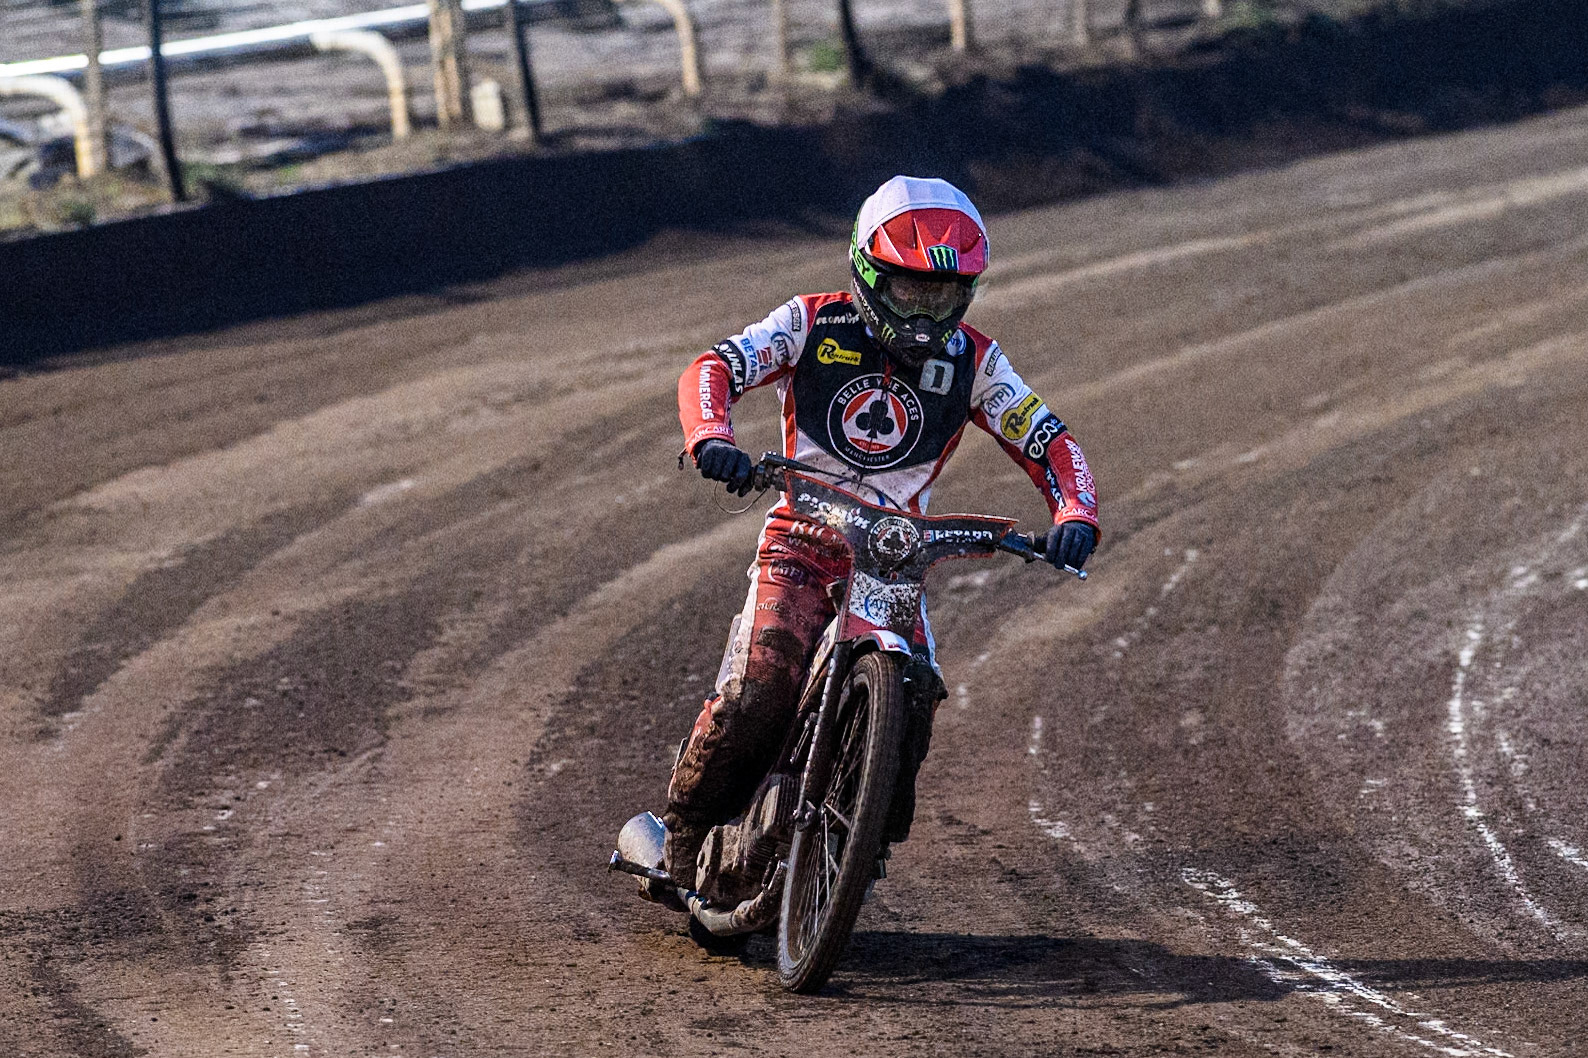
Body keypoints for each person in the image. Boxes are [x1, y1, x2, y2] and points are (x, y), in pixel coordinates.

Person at [663, 175, 1100, 886]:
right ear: (868, 273)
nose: (927, 315)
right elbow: (715, 365)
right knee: (764, 683)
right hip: (801, 537)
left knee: (915, 692)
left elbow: (1049, 439)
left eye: (943, 297)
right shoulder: (809, 323)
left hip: (893, 558)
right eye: (909, 292)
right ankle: (685, 826)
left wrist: (1075, 513)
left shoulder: (976, 363)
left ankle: (860, 848)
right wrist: (711, 436)